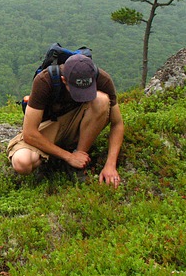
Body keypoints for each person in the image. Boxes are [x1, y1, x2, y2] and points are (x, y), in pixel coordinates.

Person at [7, 54, 124, 188]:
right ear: (64, 80)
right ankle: (61, 159)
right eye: (77, 91)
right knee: (22, 163)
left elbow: (117, 124)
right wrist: (68, 156)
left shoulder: (102, 79)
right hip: (51, 126)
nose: (82, 96)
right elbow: (29, 133)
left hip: (80, 123)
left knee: (101, 100)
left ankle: (79, 157)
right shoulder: (45, 81)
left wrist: (110, 165)